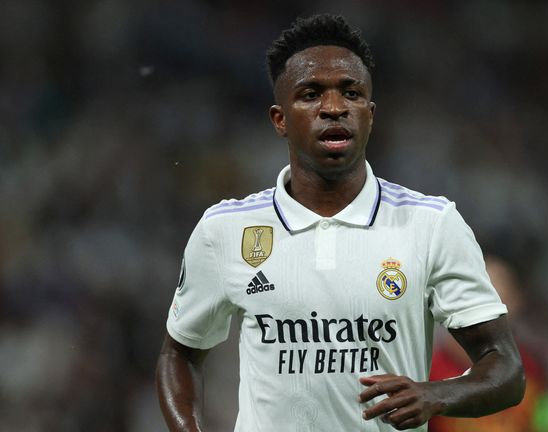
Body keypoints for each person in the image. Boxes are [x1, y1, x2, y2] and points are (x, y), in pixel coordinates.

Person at [155, 14, 525, 432]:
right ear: (279, 119)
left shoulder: (431, 224)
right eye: (311, 94)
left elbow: (507, 368)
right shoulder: (225, 230)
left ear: (370, 113)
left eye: (351, 93)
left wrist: (435, 395)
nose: (333, 108)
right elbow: (180, 354)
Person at [429, 255, 548, 432]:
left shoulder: (534, 369)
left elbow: (547, 422)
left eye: (499, 302)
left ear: (516, 302)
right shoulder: (428, 371)